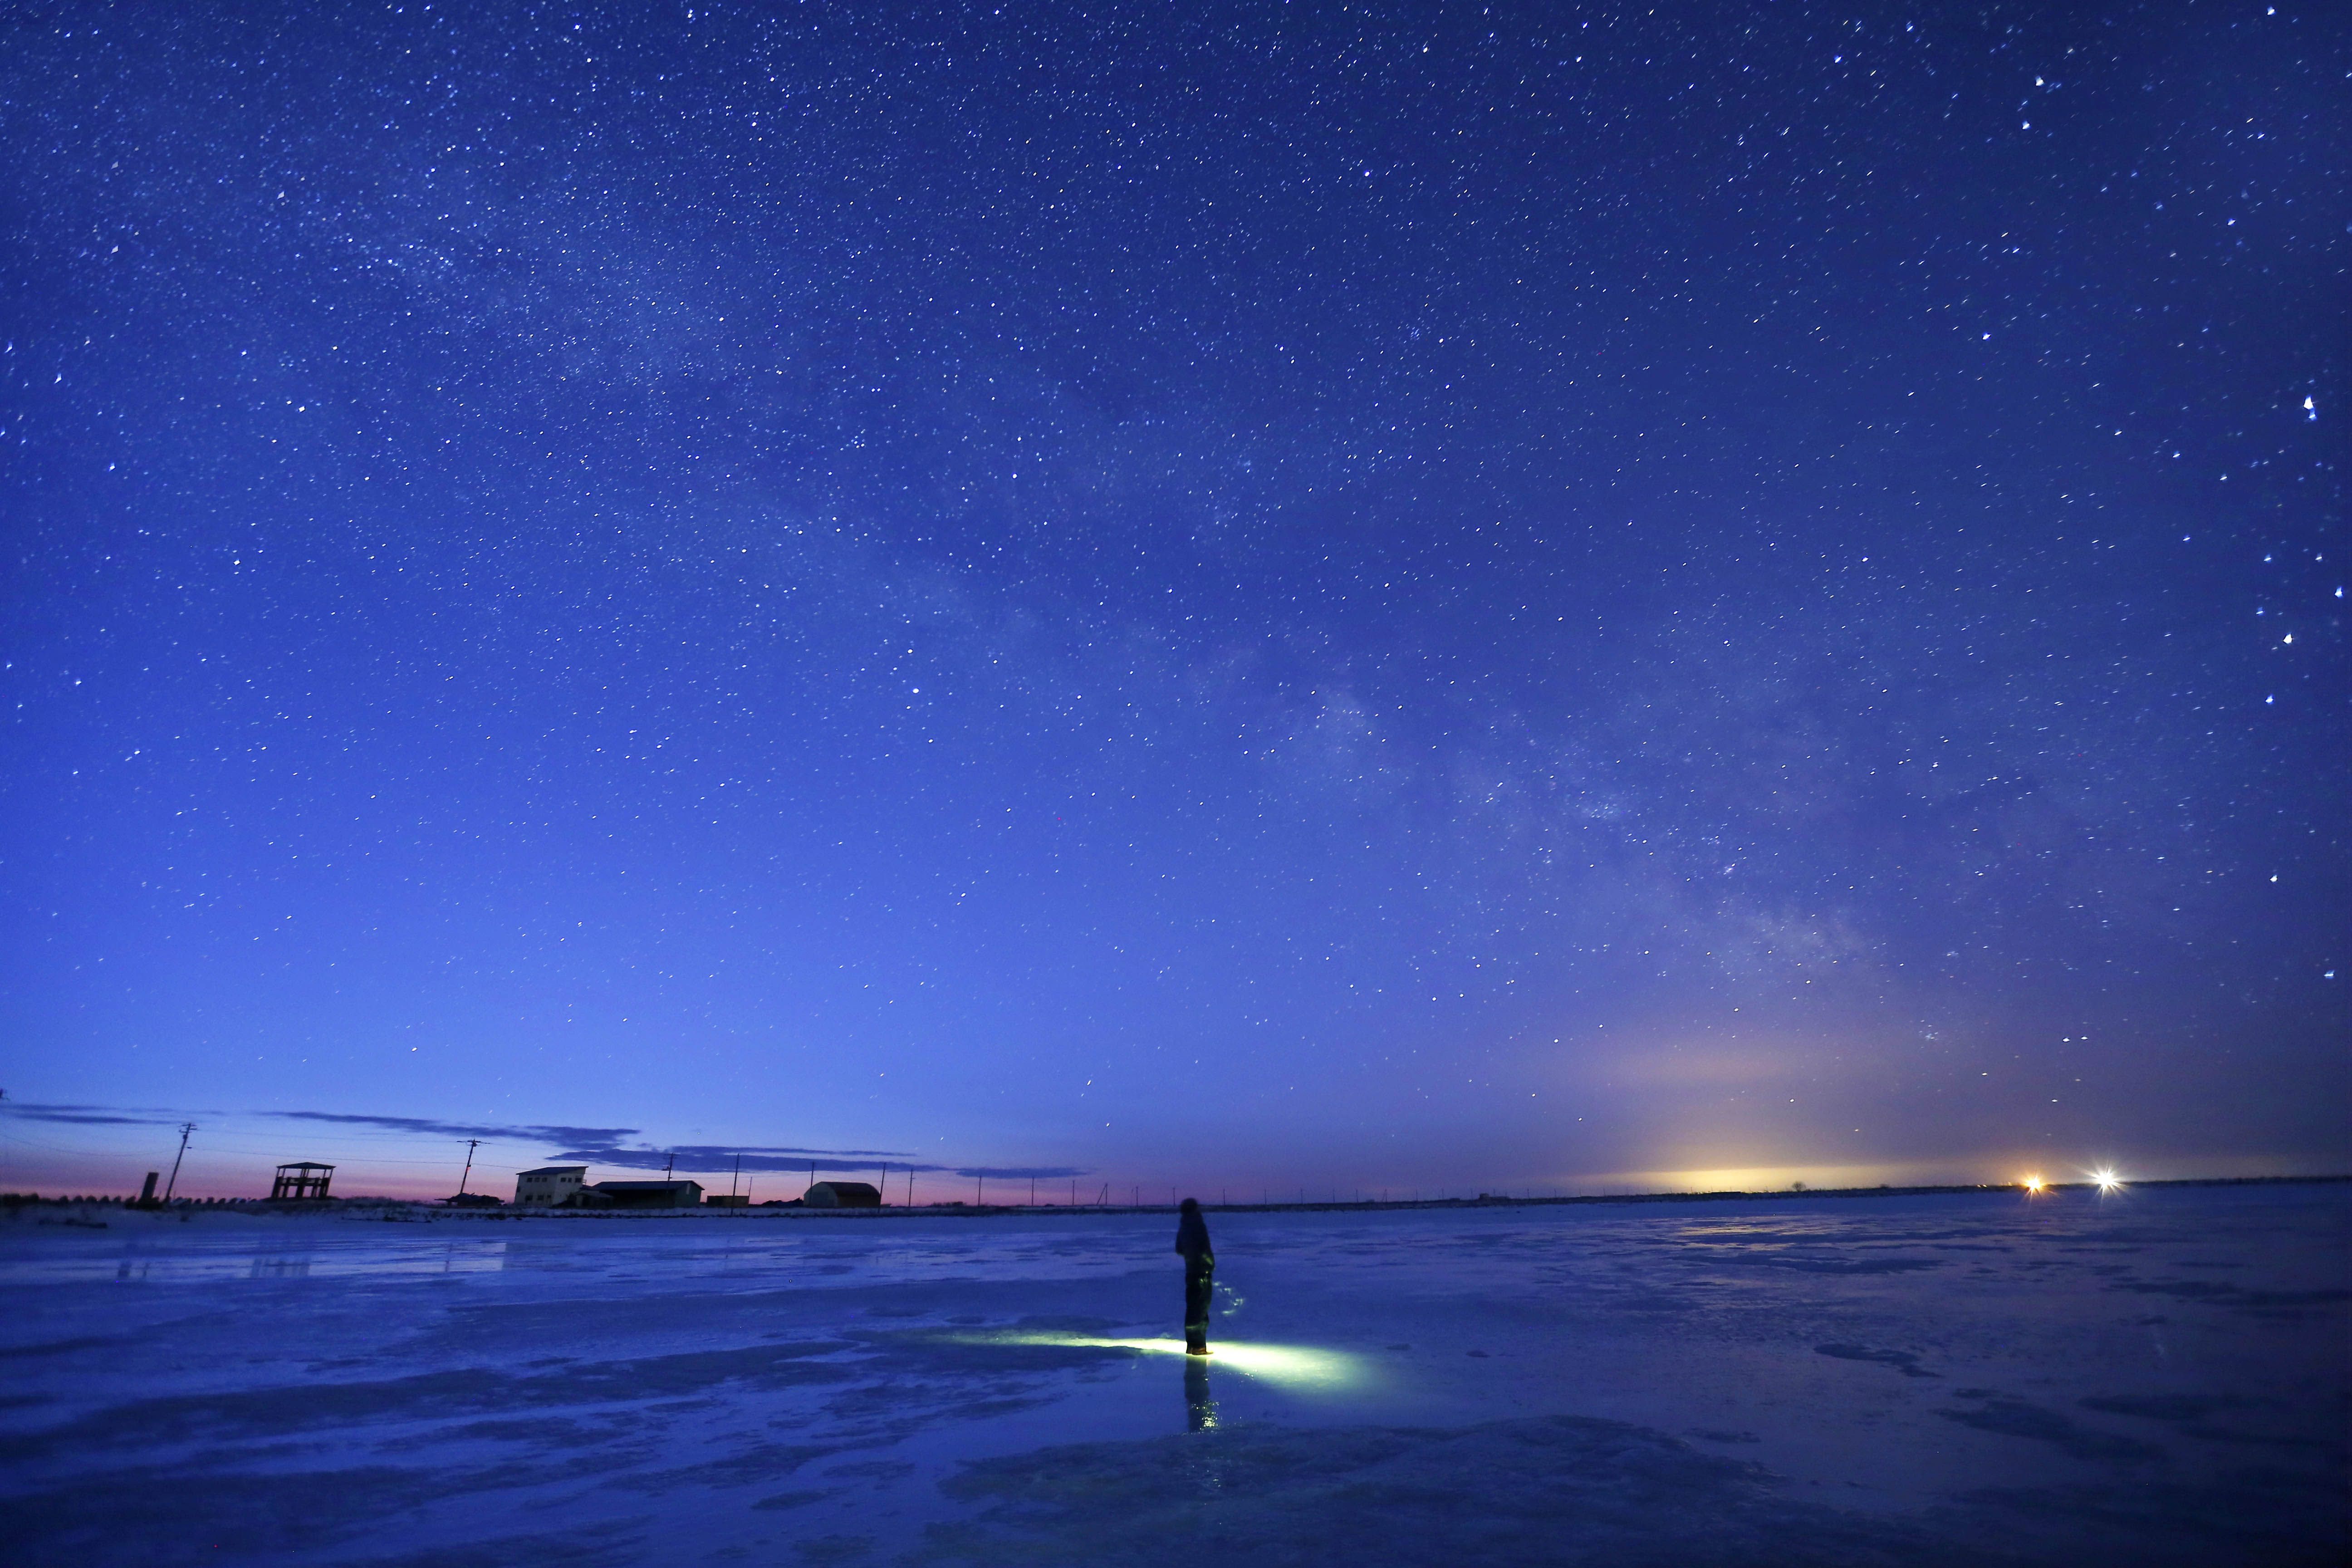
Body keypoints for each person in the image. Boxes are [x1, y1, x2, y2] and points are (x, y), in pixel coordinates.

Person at [1176, 1196, 1214, 1354]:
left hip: (1190, 1271)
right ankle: (1199, 1346)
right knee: (1201, 1308)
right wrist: (1210, 1264)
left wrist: (1189, 1256)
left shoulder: (1183, 1226)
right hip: (1201, 1272)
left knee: (1192, 1308)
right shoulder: (1198, 1224)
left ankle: (1191, 1345)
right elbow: (1204, 1248)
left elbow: (1179, 1249)